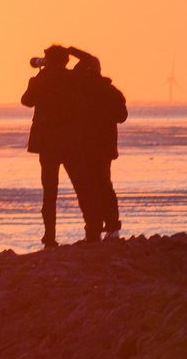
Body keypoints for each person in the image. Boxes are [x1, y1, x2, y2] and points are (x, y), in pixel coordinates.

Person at [21, 44, 96, 246]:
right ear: (65, 60)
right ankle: (93, 230)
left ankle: (50, 237)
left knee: (50, 191)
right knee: (82, 187)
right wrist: (71, 49)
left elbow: (26, 101)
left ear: (48, 60)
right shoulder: (72, 78)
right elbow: (88, 59)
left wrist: (39, 77)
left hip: (46, 143)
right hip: (70, 140)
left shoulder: (39, 80)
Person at [67, 47, 127, 239]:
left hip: (84, 145)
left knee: (89, 187)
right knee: (105, 185)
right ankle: (112, 227)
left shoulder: (78, 89)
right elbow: (122, 117)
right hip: (106, 147)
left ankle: (93, 229)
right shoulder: (112, 91)